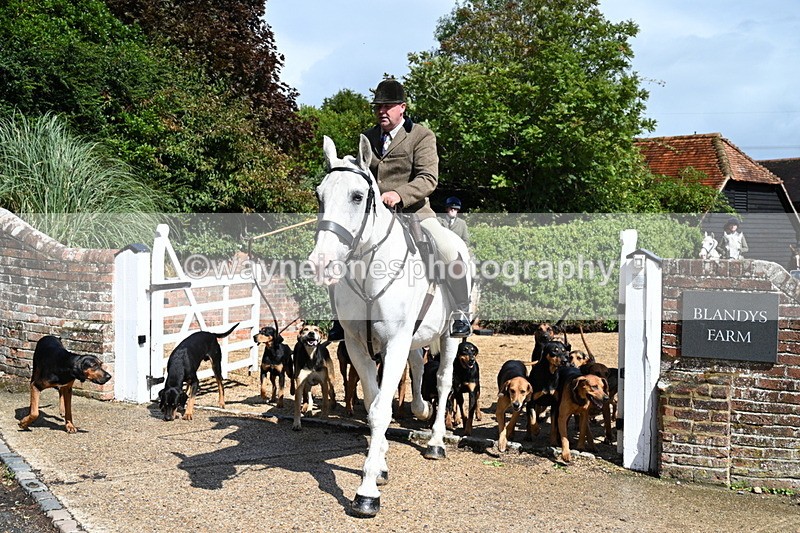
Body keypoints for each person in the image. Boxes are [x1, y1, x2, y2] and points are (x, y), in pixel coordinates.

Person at [328, 78, 472, 340]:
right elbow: (359, 173)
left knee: (450, 250)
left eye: (388, 106)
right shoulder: (368, 137)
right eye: (378, 107)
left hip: (415, 214)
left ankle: (461, 312)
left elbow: (429, 178)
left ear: (402, 107)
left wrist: (399, 194)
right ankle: (341, 318)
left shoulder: (421, 136)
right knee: (337, 251)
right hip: (374, 217)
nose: (382, 111)